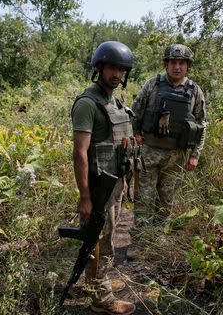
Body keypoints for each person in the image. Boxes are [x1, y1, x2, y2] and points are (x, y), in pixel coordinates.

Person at [71, 41, 136, 315]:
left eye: (122, 69)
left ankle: (98, 282)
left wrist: (122, 182)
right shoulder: (88, 104)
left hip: (114, 184)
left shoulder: (115, 102)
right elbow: (80, 153)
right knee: (101, 240)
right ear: (99, 68)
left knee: (105, 237)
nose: (117, 74)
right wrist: (85, 197)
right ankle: (101, 299)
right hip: (98, 188)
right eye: (112, 67)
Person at [132, 43, 207, 214]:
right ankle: (140, 237)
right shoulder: (152, 85)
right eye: (173, 62)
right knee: (143, 200)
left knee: (167, 203)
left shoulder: (195, 91)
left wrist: (195, 155)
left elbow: (202, 124)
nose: (177, 67)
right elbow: (135, 115)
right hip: (148, 152)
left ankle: (159, 238)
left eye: (182, 63)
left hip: (176, 156)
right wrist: (134, 146)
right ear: (166, 64)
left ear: (187, 65)